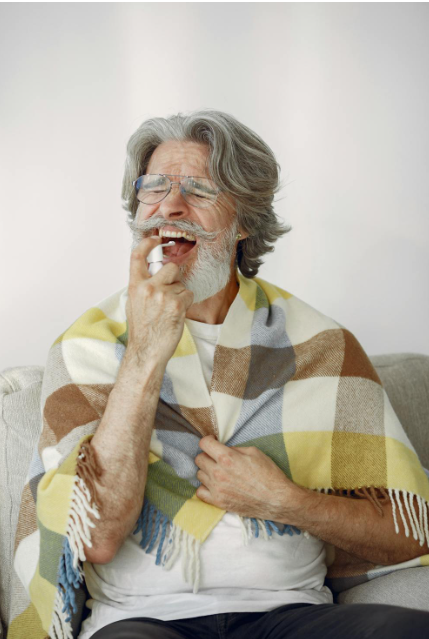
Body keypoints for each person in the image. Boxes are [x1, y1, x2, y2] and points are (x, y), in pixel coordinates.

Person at [9, 110, 429, 639]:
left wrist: (283, 501)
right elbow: (96, 537)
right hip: (142, 621)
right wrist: (144, 355)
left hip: (291, 615)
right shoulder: (86, 348)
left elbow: (409, 531)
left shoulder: (321, 345)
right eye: (154, 187)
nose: (170, 206)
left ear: (244, 221)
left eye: (199, 189)